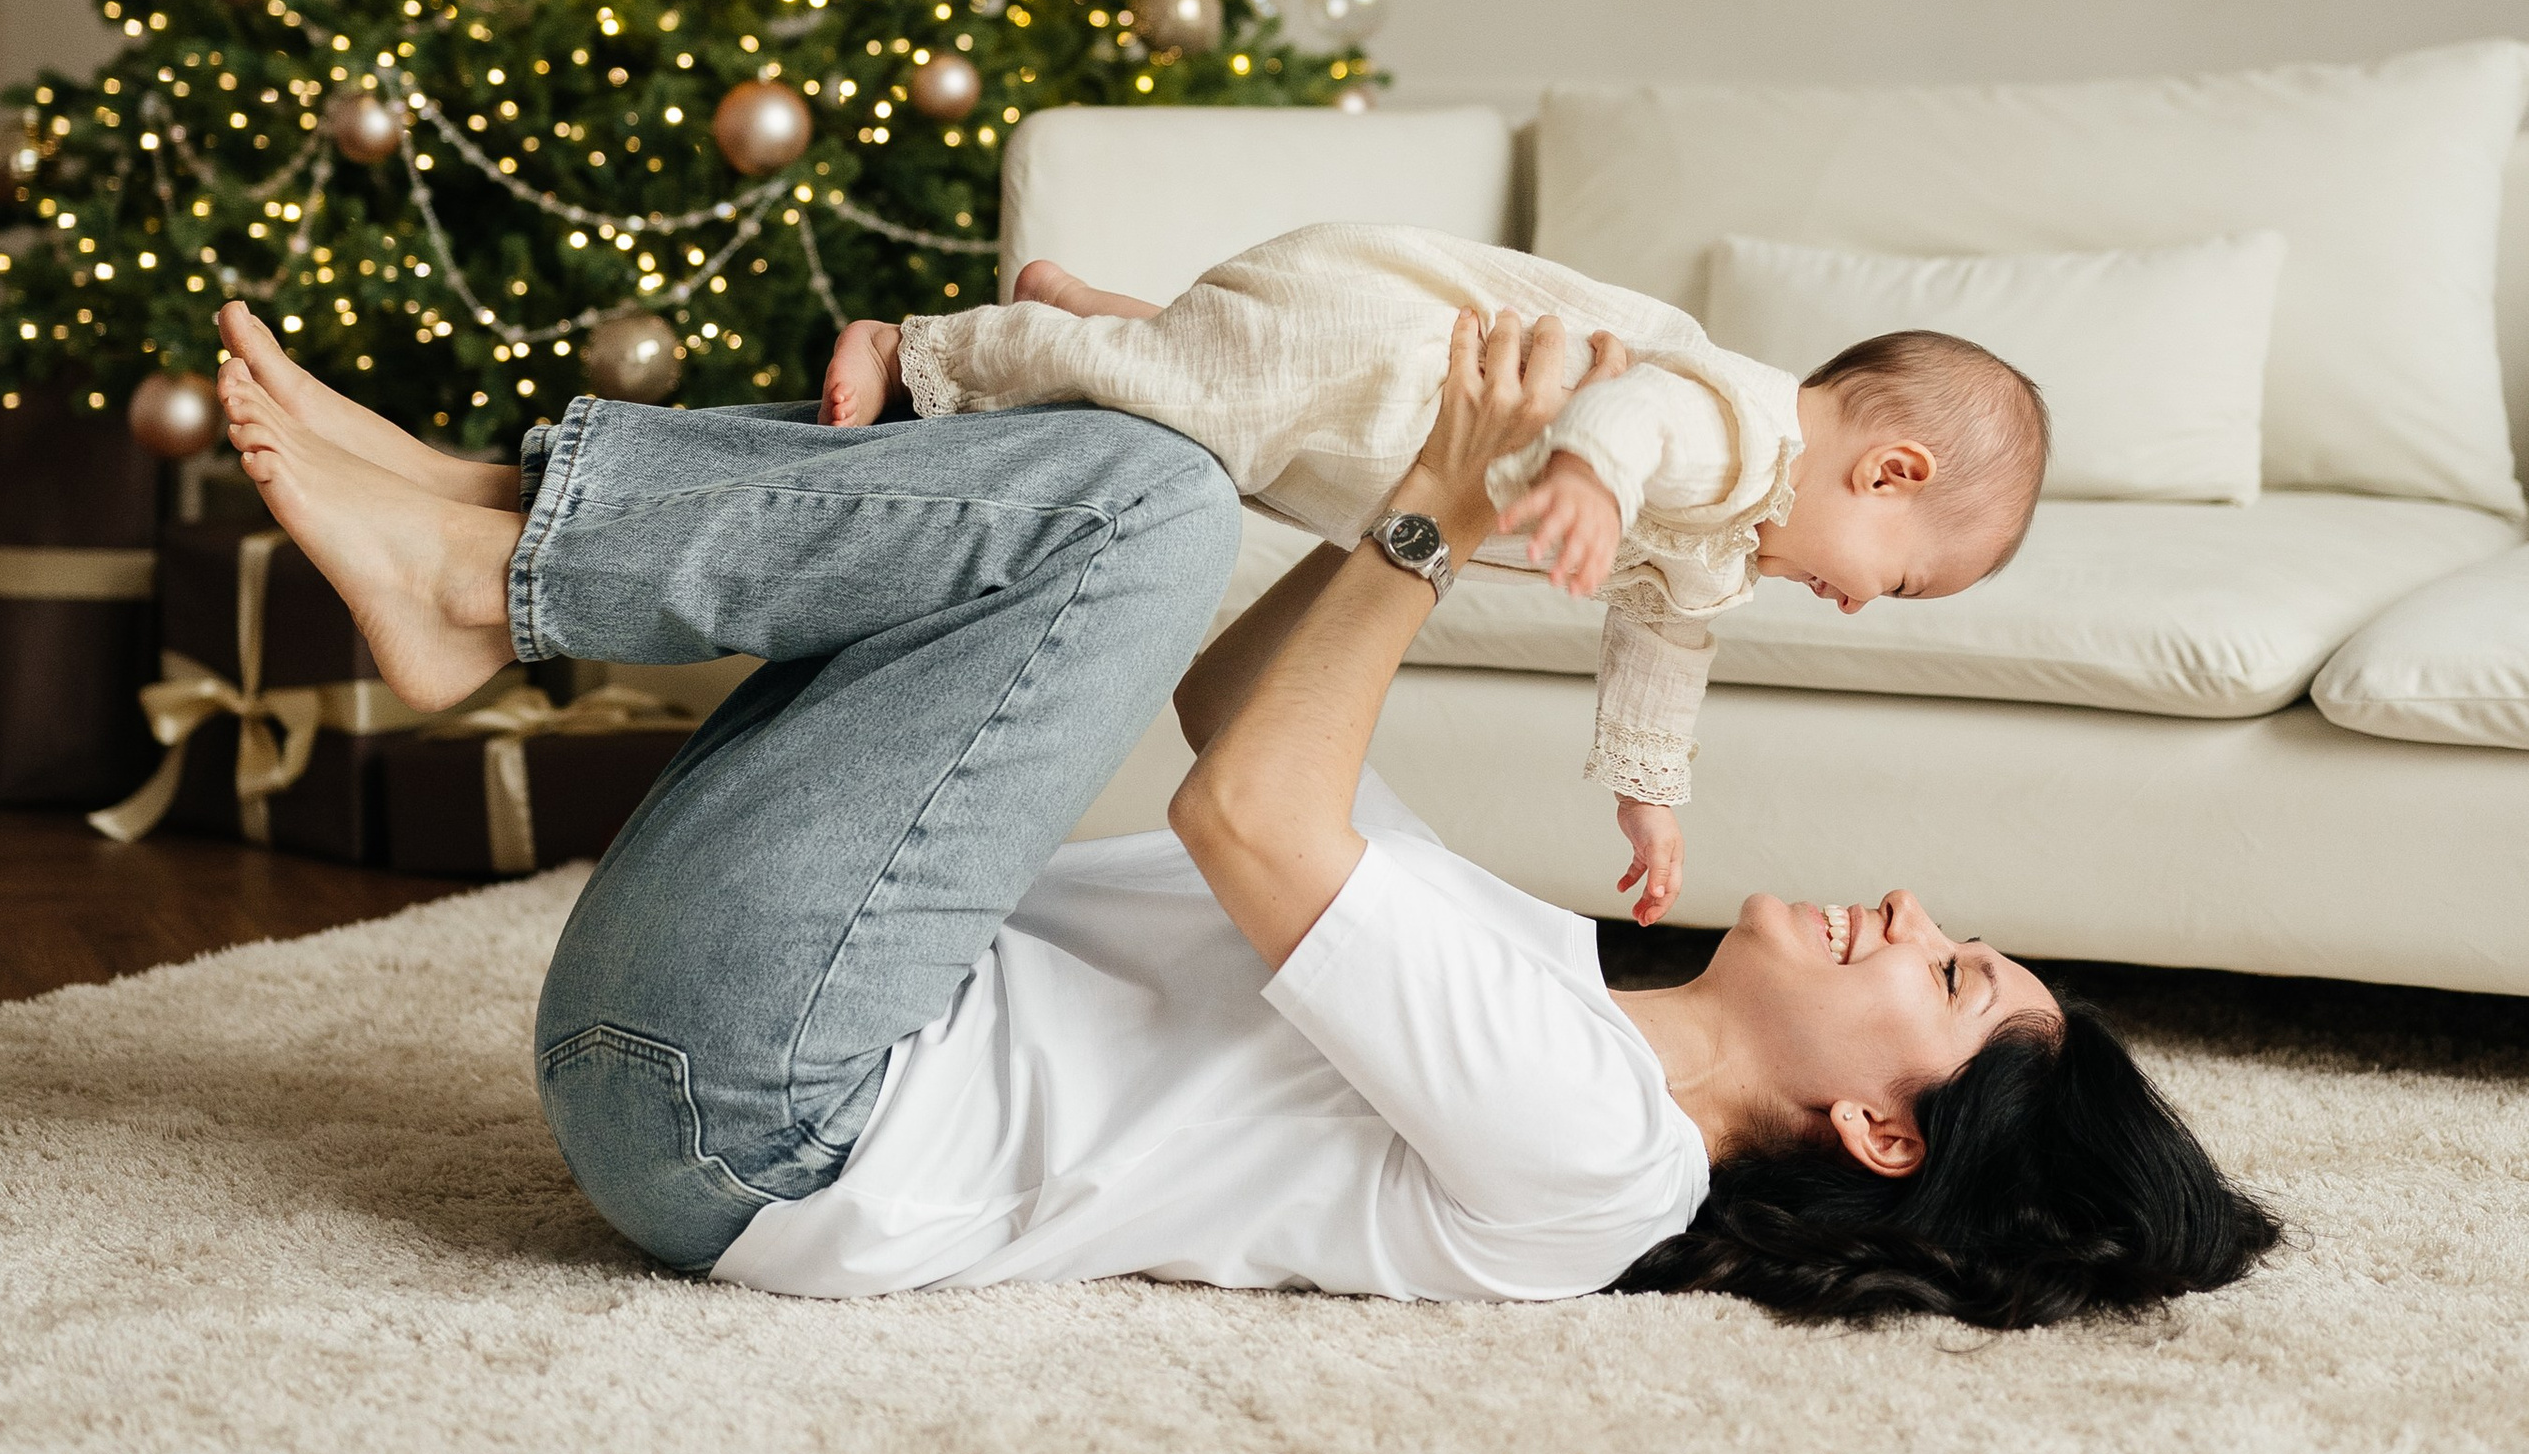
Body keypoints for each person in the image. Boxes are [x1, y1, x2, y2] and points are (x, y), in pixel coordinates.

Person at [211, 297, 2276, 1331]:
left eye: (1943, 968)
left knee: (1137, 498)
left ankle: (501, 575)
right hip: (756, 1020)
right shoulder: (1545, 972)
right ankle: (496, 532)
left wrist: (1432, 520)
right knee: (1148, 465)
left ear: (1883, 1129)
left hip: (758, 1115)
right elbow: (1232, 703)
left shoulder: (1597, 1163)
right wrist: (1369, 467)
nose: (1906, 906)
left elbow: (1246, 817)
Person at [823, 224, 2051, 924]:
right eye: (1895, 583)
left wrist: (1647, 791)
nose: (1854, 604)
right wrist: (1586, 476)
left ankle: (1090, 310)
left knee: (1208, 405)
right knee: (1222, 386)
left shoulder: (1732, 543)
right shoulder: (1743, 430)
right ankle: (922, 343)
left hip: (1388, 451)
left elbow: (1663, 647)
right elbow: (1639, 414)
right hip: (1391, 359)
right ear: (1889, 470)